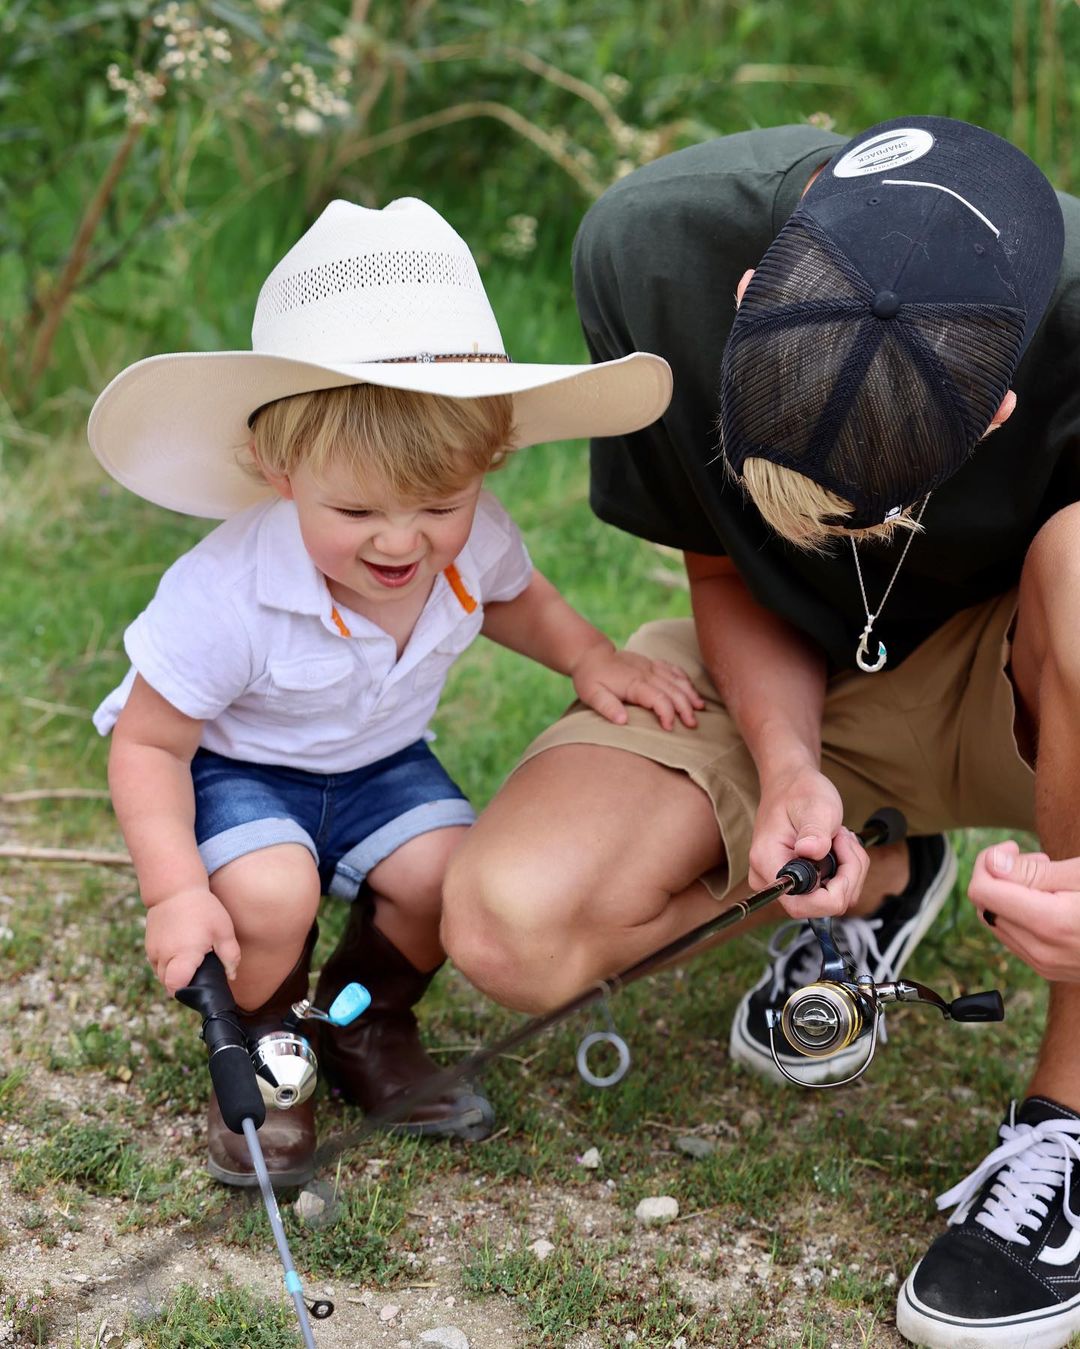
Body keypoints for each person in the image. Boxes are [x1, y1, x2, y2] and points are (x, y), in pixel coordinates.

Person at [440, 116, 1080, 1348]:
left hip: (1036, 685)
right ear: (746, 300)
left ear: (995, 413)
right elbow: (725, 572)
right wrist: (788, 768)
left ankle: (1066, 1120)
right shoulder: (657, 253)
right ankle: (889, 860)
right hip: (796, 680)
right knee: (511, 924)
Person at [88, 196, 701, 1189]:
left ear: (486, 465)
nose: (400, 541)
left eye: (440, 504)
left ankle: (362, 1023)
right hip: (246, 768)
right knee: (271, 891)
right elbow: (150, 744)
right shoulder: (225, 594)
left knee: (446, 877)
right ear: (276, 468)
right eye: (356, 508)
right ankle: (262, 1053)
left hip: (378, 764)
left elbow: (517, 597)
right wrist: (174, 890)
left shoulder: (476, 537)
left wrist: (591, 655)